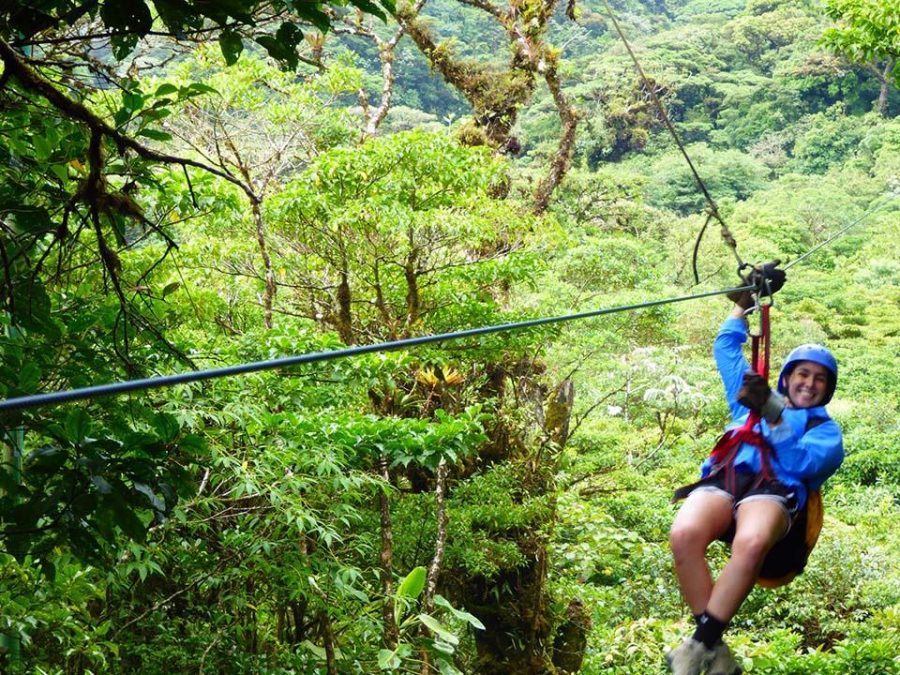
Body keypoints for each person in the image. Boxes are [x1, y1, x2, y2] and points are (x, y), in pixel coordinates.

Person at [666, 273, 844, 675]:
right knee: (684, 534)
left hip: (775, 493)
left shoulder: (826, 431)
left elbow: (801, 464)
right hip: (725, 481)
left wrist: (774, 412)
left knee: (751, 540)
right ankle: (712, 645)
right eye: (803, 374)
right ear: (788, 376)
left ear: (826, 389)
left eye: (819, 379)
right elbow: (726, 349)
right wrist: (742, 304)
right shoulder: (753, 399)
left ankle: (698, 646)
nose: (809, 383)